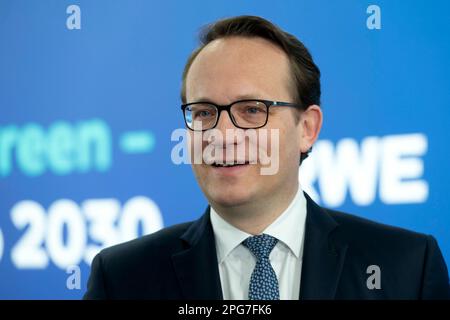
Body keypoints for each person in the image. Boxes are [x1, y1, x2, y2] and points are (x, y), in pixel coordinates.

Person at [84, 15, 450, 300]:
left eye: (252, 110)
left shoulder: (405, 267)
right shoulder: (123, 279)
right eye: (204, 112)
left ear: (307, 128)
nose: (222, 135)